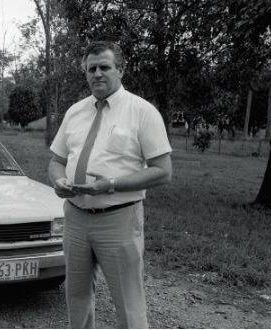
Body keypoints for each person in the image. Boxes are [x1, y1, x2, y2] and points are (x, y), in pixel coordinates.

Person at [48, 41, 172, 328]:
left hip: (119, 218)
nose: (97, 74)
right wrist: (58, 181)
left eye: (104, 67)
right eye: (91, 68)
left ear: (121, 69)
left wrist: (112, 184)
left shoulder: (142, 111)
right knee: (76, 297)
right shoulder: (75, 111)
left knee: (128, 302)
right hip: (76, 217)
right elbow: (55, 161)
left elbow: (163, 171)